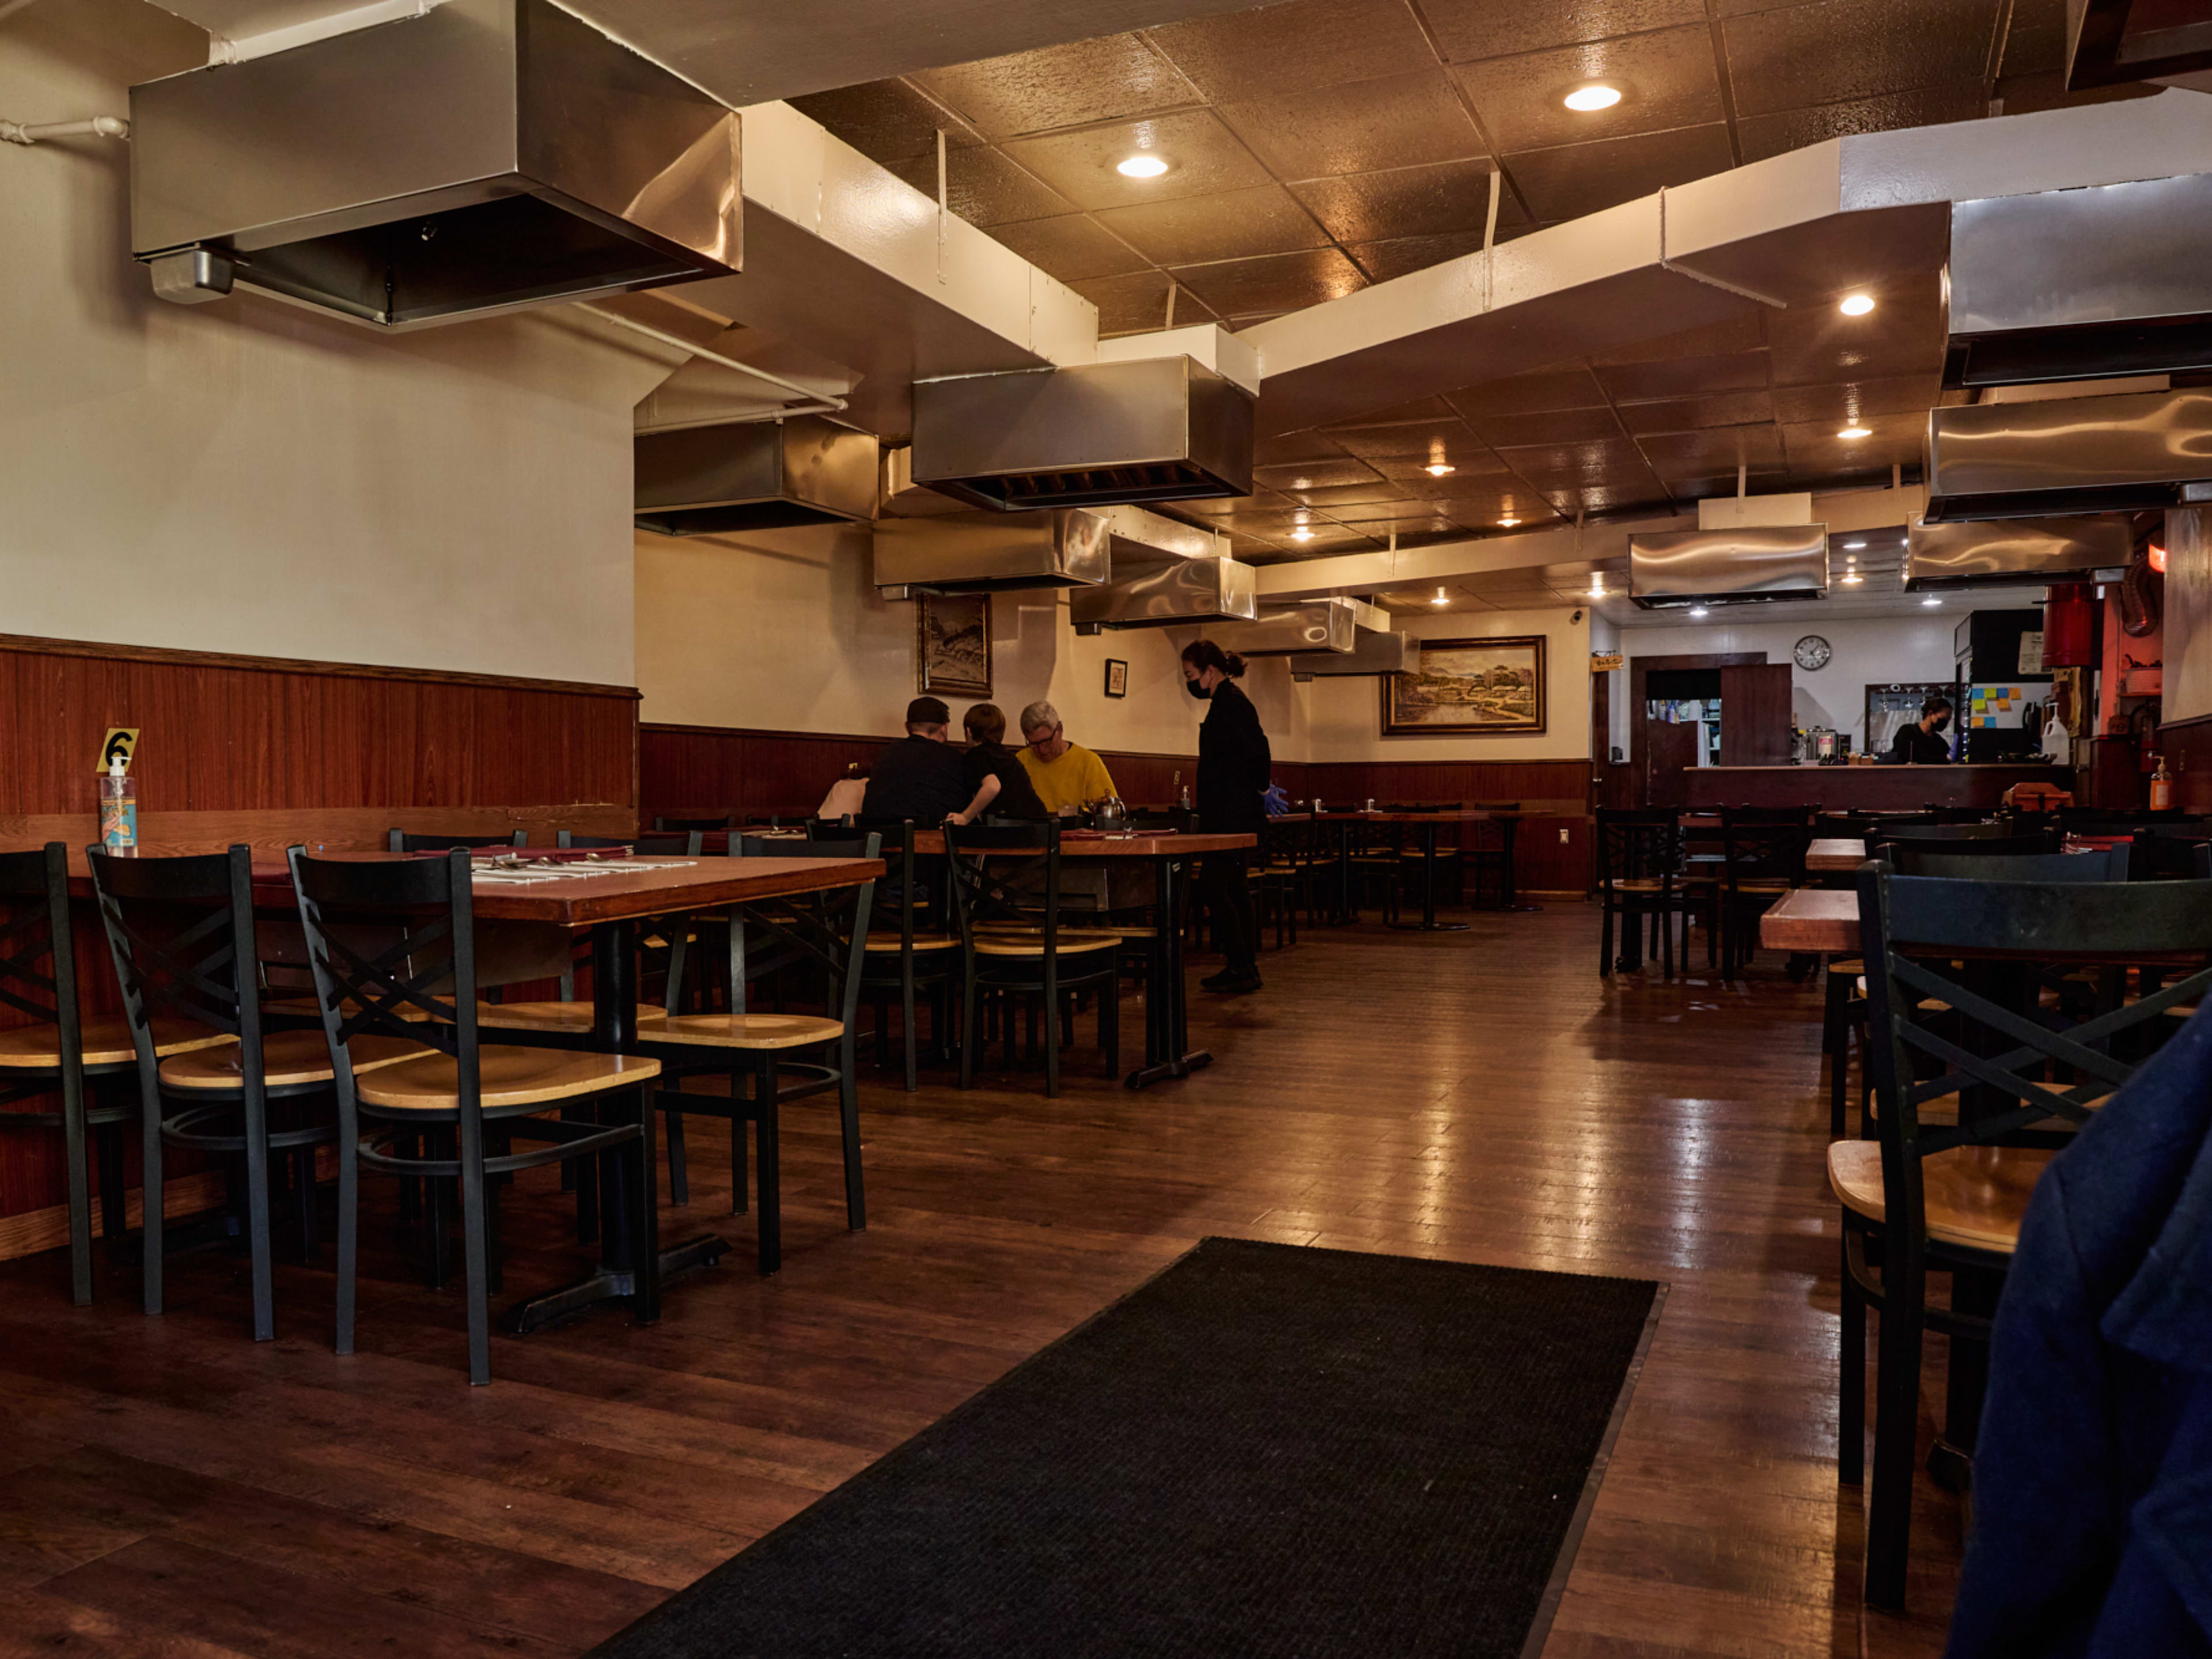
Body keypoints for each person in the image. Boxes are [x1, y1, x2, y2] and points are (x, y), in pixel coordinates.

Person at [1181, 639, 1270, 995]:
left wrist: (1262, 793)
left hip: (1231, 814)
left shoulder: (1231, 704)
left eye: (1191, 674)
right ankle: (1243, 965)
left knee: (1213, 888)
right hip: (1230, 812)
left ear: (1210, 671)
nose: (1189, 682)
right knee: (1232, 887)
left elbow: (1258, 752)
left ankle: (1240, 964)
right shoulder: (1226, 702)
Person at [860, 696, 969, 823]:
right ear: (944, 729)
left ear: (907, 728)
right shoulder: (955, 758)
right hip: (930, 837)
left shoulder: (885, 754)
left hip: (877, 837)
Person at [949, 703, 1049, 824]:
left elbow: (992, 787)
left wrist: (965, 817)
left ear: (969, 732)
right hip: (1040, 822)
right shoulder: (1009, 757)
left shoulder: (976, 755)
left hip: (1010, 825)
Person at [1017, 700, 1118, 815]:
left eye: (1047, 742)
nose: (1042, 750)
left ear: (1059, 730)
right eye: (1034, 744)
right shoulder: (1020, 761)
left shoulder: (1088, 762)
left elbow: (1107, 814)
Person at [1889, 696, 1954, 764]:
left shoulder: (1940, 742)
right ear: (1931, 714)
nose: (1945, 723)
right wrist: (1944, 758)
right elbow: (1909, 757)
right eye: (1943, 718)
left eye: (1948, 720)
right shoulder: (1907, 732)